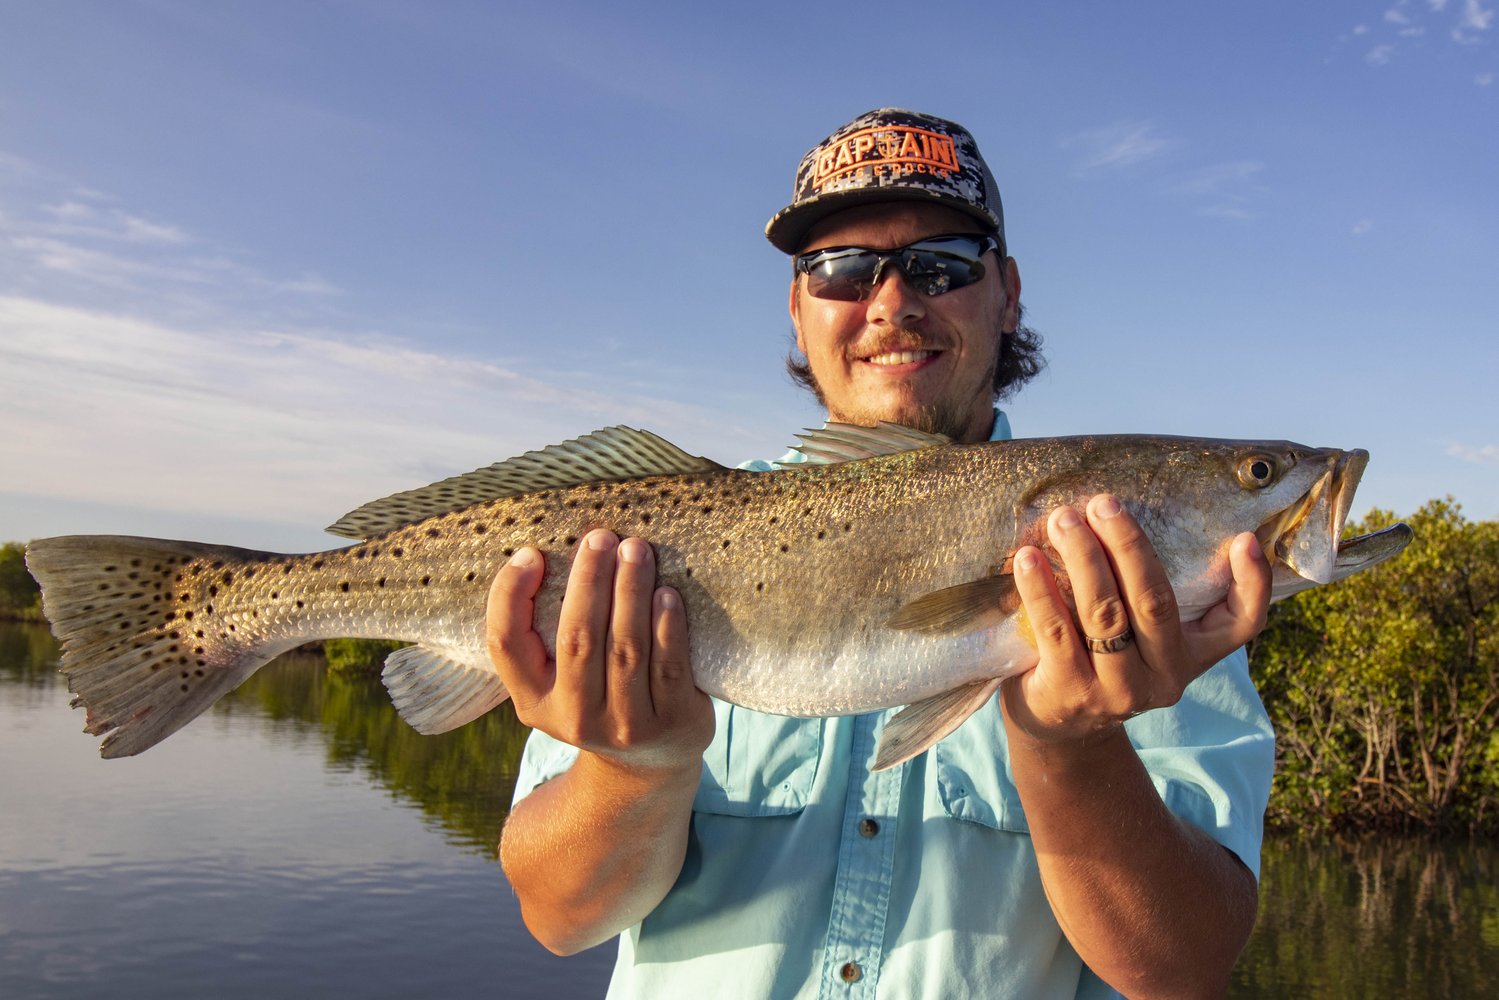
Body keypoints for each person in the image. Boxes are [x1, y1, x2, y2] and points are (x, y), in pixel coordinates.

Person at [488, 109, 1275, 999]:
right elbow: (559, 919)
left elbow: (1182, 970)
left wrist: (1071, 752)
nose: (891, 304)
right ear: (797, 308)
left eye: (940, 264)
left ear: (1006, 292)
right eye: (841, 270)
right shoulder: (644, 535)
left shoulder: (1156, 591)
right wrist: (637, 764)